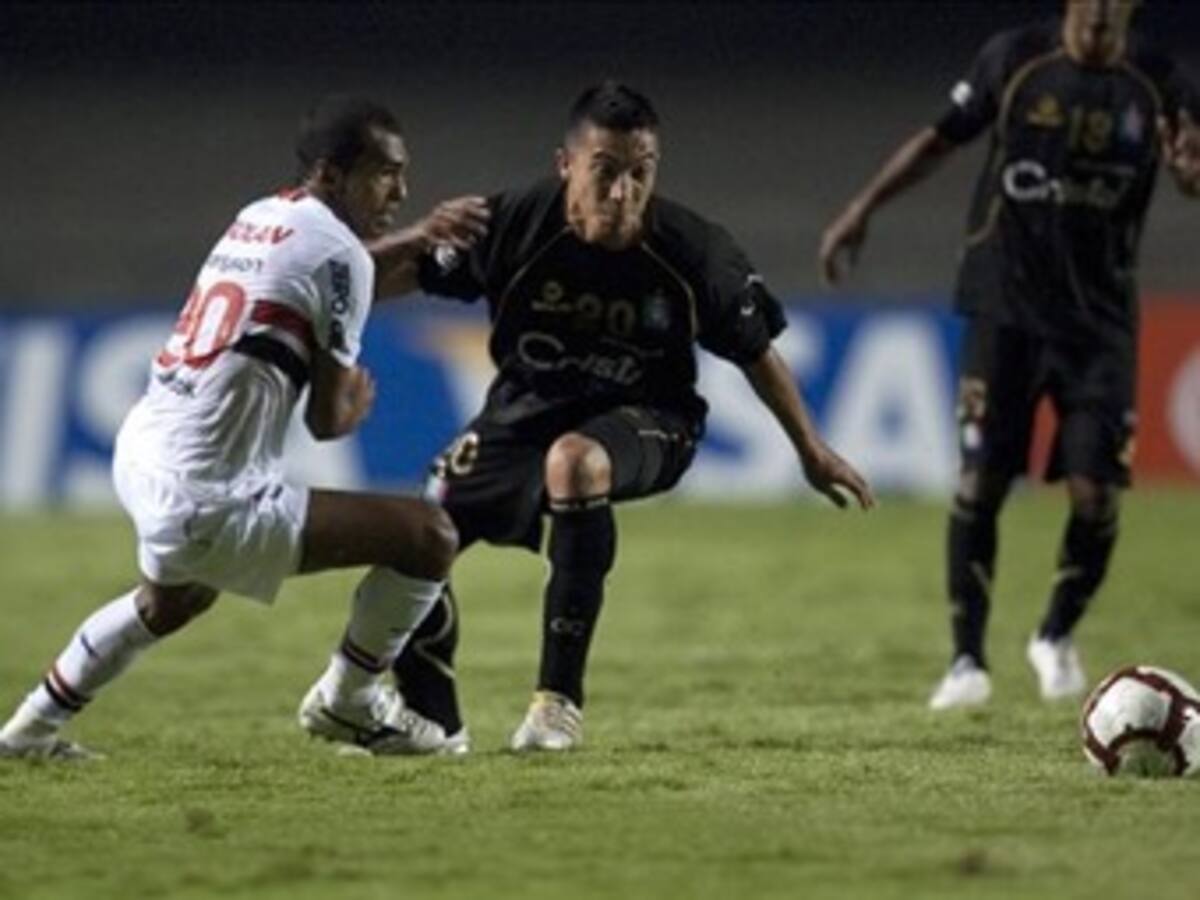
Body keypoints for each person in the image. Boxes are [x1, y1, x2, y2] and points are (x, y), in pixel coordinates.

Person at [357, 80, 874, 753]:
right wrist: (327, 295)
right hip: (525, 411)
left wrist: (811, 450)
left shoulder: (695, 254)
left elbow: (757, 353)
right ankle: (433, 721)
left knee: (575, 461)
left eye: (640, 172)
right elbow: (409, 275)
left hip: (653, 418)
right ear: (567, 165)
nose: (624, 191)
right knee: (422, 530)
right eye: (606, 171)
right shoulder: (514, 223)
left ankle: (556, 707)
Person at [0, 95, 489, 759]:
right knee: (429, 536)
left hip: (146, 452)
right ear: (332, 174)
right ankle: (349, 702)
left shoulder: (264, 214)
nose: (400, 189)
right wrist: (357, 404)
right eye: (384, 172)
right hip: (209, 496)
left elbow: (342, 271)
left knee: (171, 601)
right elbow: (327, 422)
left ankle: (26, 732)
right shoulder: (338, 254)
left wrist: (421, 236)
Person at [818, 0, 1200, 710]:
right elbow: (938, 140)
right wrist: (860, 209)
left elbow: (1192, 171)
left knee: (1096, 492)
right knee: (979, 485)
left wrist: (1189, 172)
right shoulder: (1015, 59)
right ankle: (966, 661)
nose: (1100, 14)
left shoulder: (1161, 81)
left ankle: (1054, 634)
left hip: (1101, 321)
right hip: (1006, 308)